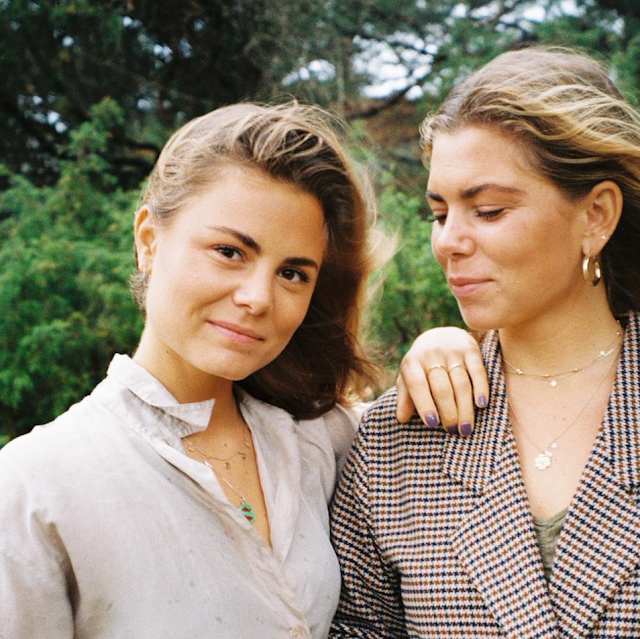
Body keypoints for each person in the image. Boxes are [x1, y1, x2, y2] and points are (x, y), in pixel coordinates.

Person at [0, 102, 481, 639]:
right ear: (148, 241)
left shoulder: (322, 443)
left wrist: (444, 345)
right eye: (229, 251)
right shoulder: (34, 487)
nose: (258, 298)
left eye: (293, 273)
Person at [330, 46, 640, 638]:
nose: (448, 241)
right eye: (439, 214)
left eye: (489, 210)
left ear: (596, 215)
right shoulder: (401, 437)